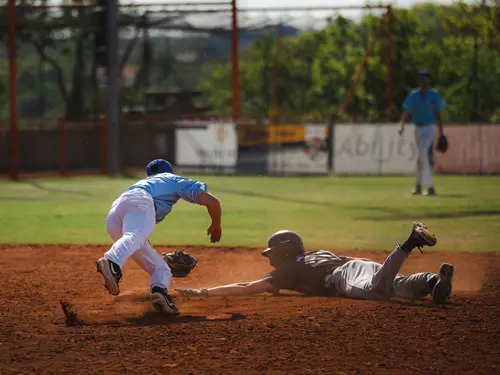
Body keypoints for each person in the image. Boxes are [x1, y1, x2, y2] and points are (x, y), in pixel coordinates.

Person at [175, 222, 454, 305]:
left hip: (344, 276)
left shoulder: (290, 268)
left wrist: (205, 292)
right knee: (397, 285)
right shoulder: (314, 254)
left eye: (272, 253)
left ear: (284, 251)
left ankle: (408, 243)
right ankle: (432, 280)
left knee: (376, 292)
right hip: (356, 264)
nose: (270, 258)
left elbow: (248, 286)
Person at [96, 159, 222, 315]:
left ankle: (160, 294)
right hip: (140, 200)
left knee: (161, 268)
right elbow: (213, 202)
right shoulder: (173, 179)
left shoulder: (145, 182)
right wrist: (216, 225)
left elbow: (137, 228)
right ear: (169, 171)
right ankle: (112, 263)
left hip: (115, 212)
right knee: (135, 235)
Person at [398, 70, 446, 196]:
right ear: (419, 81)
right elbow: (406, 110)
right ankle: (418, 186)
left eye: (426, 79)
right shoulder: (414, 95)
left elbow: (438, 114)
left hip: (429, 128)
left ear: (429, 81)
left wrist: (441, 132)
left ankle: (430, 187)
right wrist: (402, 125)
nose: (424, 81)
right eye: (421, 79)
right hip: (417, 128)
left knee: (423, 153)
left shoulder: (434, 95)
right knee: (420, 157)